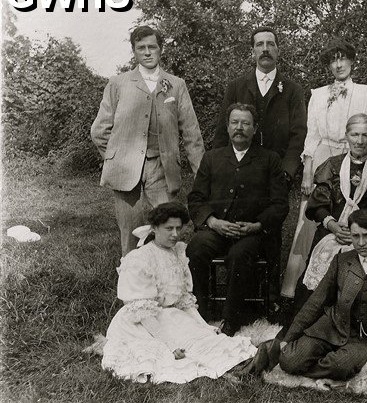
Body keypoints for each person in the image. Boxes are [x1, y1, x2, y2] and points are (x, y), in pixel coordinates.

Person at [101, 202, 278, 384]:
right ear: (154, 228)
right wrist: (169, 345)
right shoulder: (140, 259)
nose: (175, 234)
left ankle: (245, 364)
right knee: (184, 347)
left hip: (171, 314)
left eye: (179, 228)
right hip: (143, 321)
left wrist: (203, 326)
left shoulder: (178, 253)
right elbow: (142, 311)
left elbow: (184, 300)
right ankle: (236, 371)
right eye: (169, 228)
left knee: (205, 337)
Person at [280, 38, 367, 299]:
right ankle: (297, 285)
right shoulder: (318, 94)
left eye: (343, 58)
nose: (338, 64)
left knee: (352, 213)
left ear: (352, 61)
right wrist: (307, 171)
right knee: (311, 217)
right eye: (333, 60)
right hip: (323, 158)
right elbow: (311, 136)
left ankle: (351, 281)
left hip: (356, 157)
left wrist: (364, 169)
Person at [91, 25, 204, 258]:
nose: (147, 52)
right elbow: (99, 130)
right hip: (125, 169)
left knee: (169, 229)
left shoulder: (176, 84)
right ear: (134, 51)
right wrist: (115, 158)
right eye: (141, 48)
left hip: (162, 168)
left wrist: (202, 174)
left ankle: (168, 287)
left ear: (161, 49)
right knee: (130, 234)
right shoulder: (118, 84)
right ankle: (130, 292)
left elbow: (192, 133)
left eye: (152, 47)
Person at [212, 26, 307, 300]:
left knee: (270, 229)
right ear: (252, 51)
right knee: (239, 225)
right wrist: (220, 169)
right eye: (259, 44)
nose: (265, 49)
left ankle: (270, 295)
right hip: (240, 171)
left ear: (278, 50)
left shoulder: (291, 90)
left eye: (270, 44)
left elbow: (298, 134)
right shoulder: (237, 87)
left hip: (275, 175)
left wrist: (287, 172)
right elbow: (222, 131)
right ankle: (238, 290)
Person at [278, 209, 367, 381]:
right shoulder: (341, 260)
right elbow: (315, 303)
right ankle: (326, 371)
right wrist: (289, 338)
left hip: (364, 340)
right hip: (332, 328)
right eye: (355, 236)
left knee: (340, 365)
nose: (361, 242)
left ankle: (321, 371)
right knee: (289, 360)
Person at [186, 103, 289, 337]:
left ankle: (230, 320)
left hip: (252, 232)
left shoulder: (269, 159)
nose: (239, 128)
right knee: (196, 248)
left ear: (255, 128)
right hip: (217, 229)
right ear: (228, 126)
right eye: (235, 122)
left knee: (239, 255)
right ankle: (200, 313)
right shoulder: (212, 158)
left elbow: (280, 204)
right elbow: (196, 198)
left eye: (245, 123)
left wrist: (258, 225)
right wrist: (212, 222)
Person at [293, 113, 367, 313]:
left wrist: (361, 231)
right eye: (355, 135)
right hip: (335, 230)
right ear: (346, 136)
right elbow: (317, 205)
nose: (359, 141)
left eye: (365, 135)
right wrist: (333, 225)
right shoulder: (332, 165)